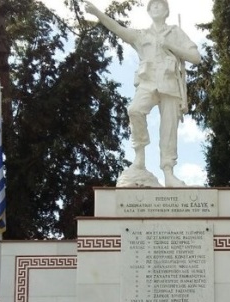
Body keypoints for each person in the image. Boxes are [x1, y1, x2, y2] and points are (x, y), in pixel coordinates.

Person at [84, 0, 201, 188]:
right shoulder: (141, 35)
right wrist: (98, 13)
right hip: (148, 83)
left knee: (168, 129)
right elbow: (118, 28)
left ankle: (169, 173)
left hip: (170, 83)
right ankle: (139, 157)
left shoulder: (175, 32)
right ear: (148, 11)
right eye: (152, 6)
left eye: (159, 5)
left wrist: (171, 46)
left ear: (166, 11)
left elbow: (195, 58)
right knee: (135, 110)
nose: (155, 7)